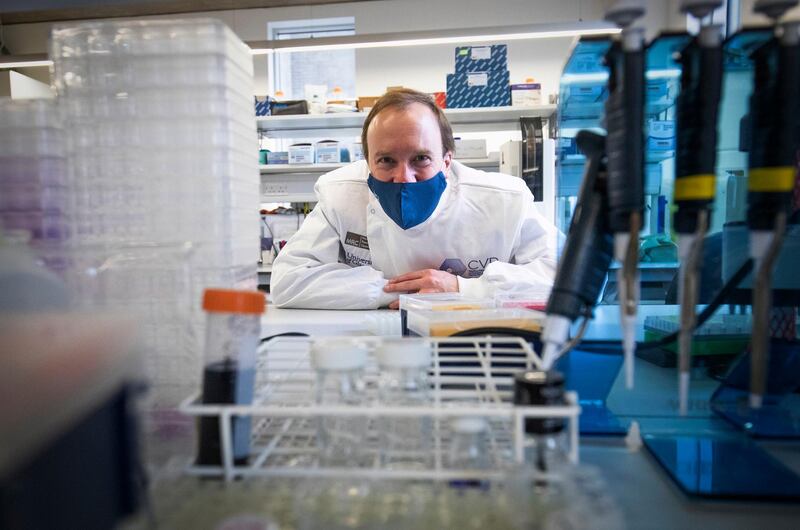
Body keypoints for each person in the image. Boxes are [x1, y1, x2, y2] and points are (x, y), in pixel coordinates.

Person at [270, 88, 559, 309]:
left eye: (420, 158)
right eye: (386, 160)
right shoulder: (341, 194)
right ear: (367, 161)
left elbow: (565, 276)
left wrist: (462, 288)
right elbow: (288, 280)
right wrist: (390, 290)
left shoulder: (503, 200)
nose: (403, 177)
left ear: (447, 160)